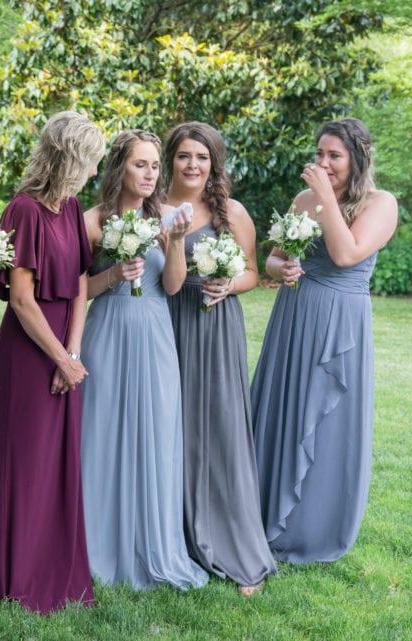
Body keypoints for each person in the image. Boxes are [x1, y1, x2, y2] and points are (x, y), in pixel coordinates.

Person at [251, 118, 398, 563]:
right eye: (319, 153)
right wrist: (282, 268)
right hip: (294, 315)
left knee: (324, 417)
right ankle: (256, 510)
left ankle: (311, 526)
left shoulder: (381, 203)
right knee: (284, 405)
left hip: (340, 325)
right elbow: (272, 259)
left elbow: (345, 253)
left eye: (335, 155)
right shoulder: (303, 199)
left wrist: (326, 198)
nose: (324, 162)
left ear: (359, 158)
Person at [79, 130, 209, 591]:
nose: (151, 174)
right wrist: (113, 274)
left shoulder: (167, 217)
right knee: (103, 431)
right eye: (141, 164)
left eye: (155, 165)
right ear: (120, 167)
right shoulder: (92, 221)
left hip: (155, 333)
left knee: (155, 432)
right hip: (108, 330)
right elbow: (76, 290)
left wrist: (176, 241)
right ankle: (97, 543)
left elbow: (172, 286)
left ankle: (151, 540)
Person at [0, 111, 104, 613]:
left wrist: (72, 355)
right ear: (71, 158)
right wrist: (58, 356)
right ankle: (19, 578)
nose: (95, 171)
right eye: (91, 161)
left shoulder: (72, 207)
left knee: (61, 462)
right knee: (28, 463)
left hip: (62, 346)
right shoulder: (24, 210)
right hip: (28, 347)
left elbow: (79, 282)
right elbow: (20, 299)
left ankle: (60, 570)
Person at [162, 121, 277, 595]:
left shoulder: (231, 211)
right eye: (184, 155)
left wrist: (229, 284)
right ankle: (169, 533)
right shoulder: (151, 205)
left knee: (220, 424)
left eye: (202, 157)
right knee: (169, 424)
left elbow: (252, 271)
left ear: (214, 163)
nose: (193, 165)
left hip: (215, 325)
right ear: (171, 159)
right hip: (164, 321)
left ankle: (235, 542)